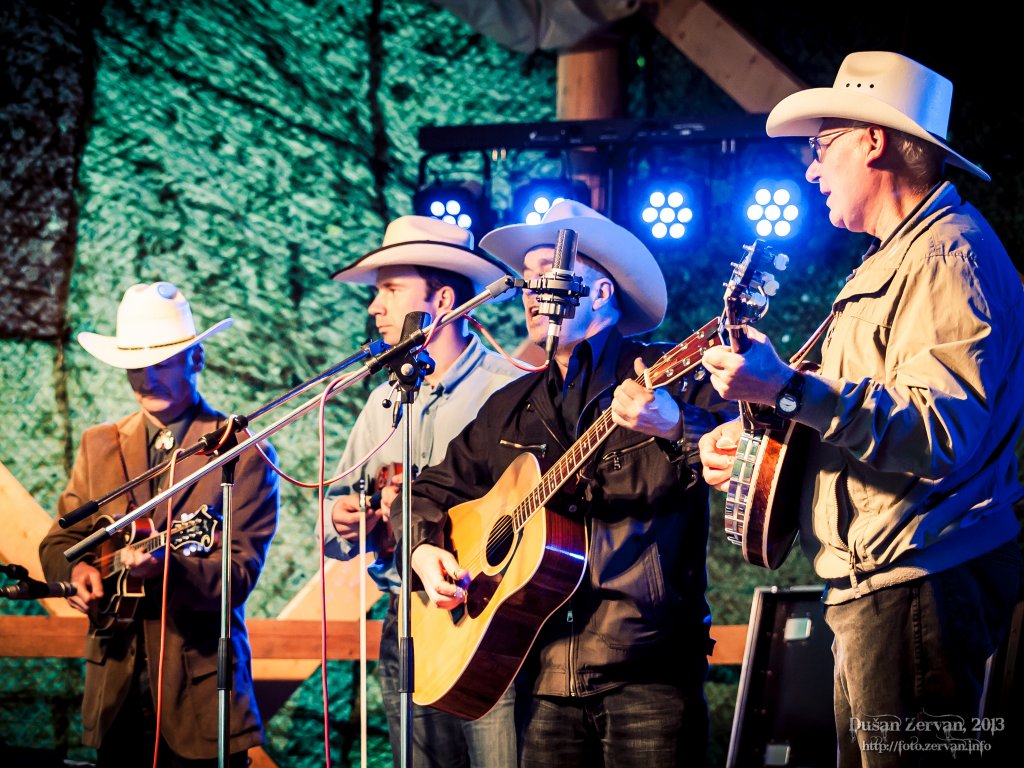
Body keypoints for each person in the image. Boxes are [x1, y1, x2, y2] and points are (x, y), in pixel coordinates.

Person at [698, 51, 1024, 765]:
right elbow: (860, 419)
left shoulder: (947, 256)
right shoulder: (896, 260)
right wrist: (758, 436)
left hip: (920, 588)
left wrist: (785, 389)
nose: (811, 170)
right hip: (890, 590)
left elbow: (941, 432)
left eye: (822, 147)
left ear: (872, 141)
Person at [401, 200, 735, 767]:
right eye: (528, 275)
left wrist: (676, 423)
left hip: (648, 671)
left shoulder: (668, 375)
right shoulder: (511, 407)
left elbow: (739, 451)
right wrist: (424, 547)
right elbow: (430, 491)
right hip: (544, 673)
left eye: (550, 273)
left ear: (602, 294)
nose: (533, 289)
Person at [39, 282, 279, 767]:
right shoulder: (98, 445)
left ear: (197, 359)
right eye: (136, 366)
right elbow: (60, 540)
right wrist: (79, 572)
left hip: (202, 695)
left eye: (163, 363)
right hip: (114, 695)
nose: (147, 379)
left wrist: (168, 568)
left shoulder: (244, 454)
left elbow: (238, 577)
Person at [323, 215, 522, 767]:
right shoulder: (383, 400)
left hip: (486, 618)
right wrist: (343, 520)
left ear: (442, 299)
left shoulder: (507, 391)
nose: (374, 308)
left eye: (390, 289)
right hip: (405, 616)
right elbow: (332, 514)